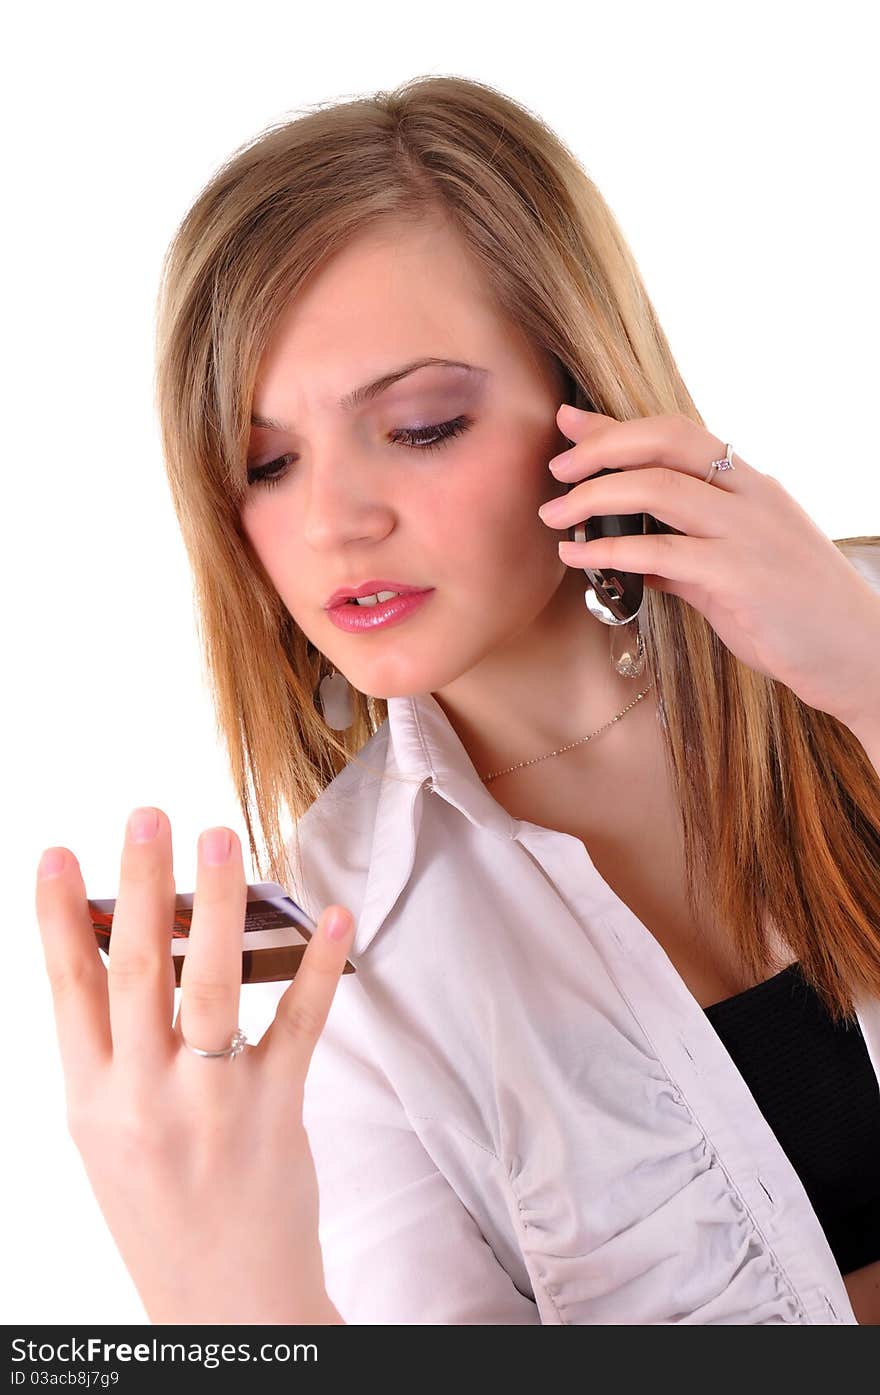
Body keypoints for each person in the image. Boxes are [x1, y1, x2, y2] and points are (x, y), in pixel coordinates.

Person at [35, 75, 880, 1326]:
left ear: (581, 387)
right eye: (264, 464)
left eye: (421, 425)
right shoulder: (346, 948)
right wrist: (231, 1309)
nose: (332, 521)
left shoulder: (852, 634)